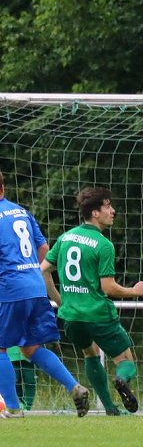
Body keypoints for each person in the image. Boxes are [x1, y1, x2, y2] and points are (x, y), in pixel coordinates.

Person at [41, 187, 143, 416]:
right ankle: (121, 380)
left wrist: (61, 301)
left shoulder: (65, 238)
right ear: (95, 213)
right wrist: (135, 291)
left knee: (90, 354)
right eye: (108, 206)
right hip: (98, 314)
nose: (112, 211)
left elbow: (43, 270)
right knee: (126, 360)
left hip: (72, 316)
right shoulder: (103, 245)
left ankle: (110, 409)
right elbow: (108, 287)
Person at [0, 171, 89, 418]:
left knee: (0, 348)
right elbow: (43, 248)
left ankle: (13, 408)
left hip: (10, 289)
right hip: (36, 286)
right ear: (3, 187)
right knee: (31, 347)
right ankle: (74, 386)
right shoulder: (21, 212)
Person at [9, 346, 37, 410]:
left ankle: (28, 406)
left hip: (28, 349)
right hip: (10, 351)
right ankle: (21, 401)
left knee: (30, 380)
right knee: (14, 379)